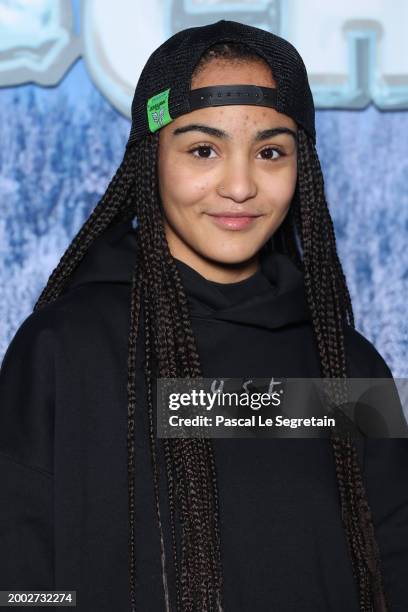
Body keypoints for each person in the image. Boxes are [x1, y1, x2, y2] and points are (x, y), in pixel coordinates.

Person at [0, 18, 407, 612]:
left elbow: (393, 563)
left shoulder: (348, 365)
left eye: (270, 151)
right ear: (151, 160)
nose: (240, 185)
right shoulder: (66, 347)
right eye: (203, 149)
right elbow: (21, 582)